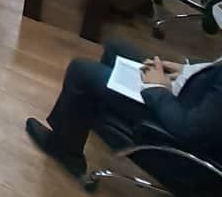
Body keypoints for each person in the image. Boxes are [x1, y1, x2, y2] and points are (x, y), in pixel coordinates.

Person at [25, 41, 222, 179]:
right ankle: (87, 119)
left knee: (81, 71)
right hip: (190, 98)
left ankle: (65, 149)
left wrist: (157, 88)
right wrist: (186, 71)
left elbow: (189, 129)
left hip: (177, 132)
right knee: (115, 49)